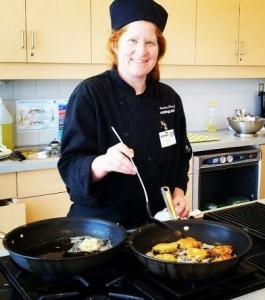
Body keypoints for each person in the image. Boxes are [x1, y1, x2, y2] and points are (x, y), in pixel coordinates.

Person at [58, 0, 192, 228]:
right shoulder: (90, 94)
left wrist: (178, 193)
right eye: (132, 40)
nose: (142, 51)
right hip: (100, 228)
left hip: (156, 225)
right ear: (116, 45)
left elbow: (181, 157)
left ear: (159, 50)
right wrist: (104, 163)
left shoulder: (169, 98)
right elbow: (71, 165)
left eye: (150, 42)